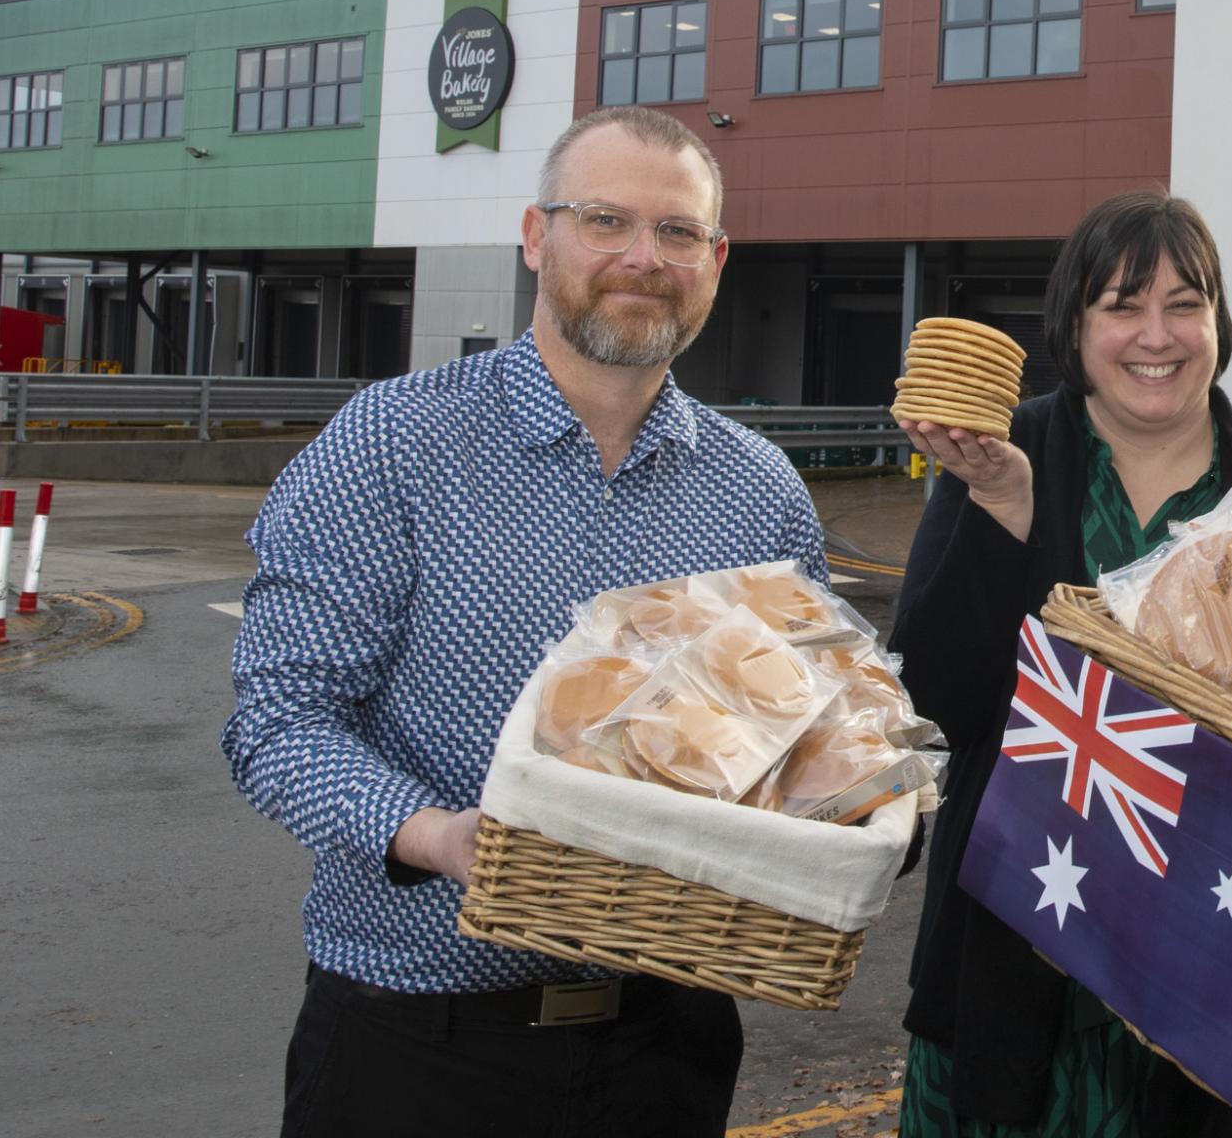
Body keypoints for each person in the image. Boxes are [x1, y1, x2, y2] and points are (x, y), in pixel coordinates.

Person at [222, 106, 828, 1138]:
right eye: (606, 220)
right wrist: (439, 837)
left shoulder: (761, 492)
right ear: (536, 236)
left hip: (667, 1048)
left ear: (716, 260)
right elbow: (280, 721)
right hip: (416, 1043)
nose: (644, 257)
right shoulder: (392, 443)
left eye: (678, 232)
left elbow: (798, 739)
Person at [889, 191, 1232, 1138]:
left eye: (1185, 304)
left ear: (1219, 322)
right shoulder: (1004, 452)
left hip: (1203, 957)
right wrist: (1006, 516)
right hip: (1007, 939)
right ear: (1075, 324)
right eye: (1122, 305)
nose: (1159, 334)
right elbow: (933, 704)